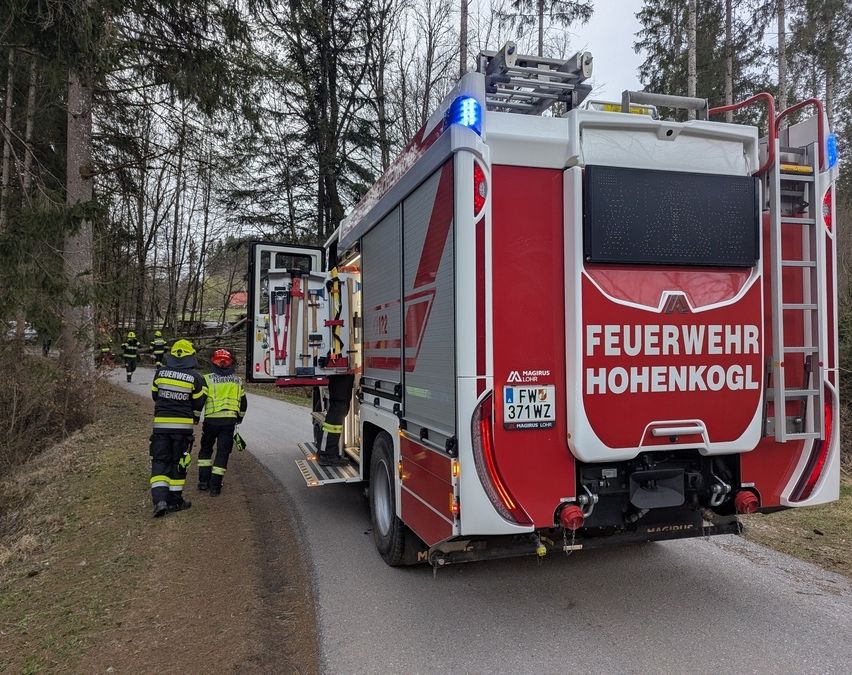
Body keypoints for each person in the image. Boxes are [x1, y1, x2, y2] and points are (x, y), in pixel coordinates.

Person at [149, 339, 207, 517]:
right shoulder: (197, 378)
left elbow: (154, 395)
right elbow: (198, 404)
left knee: (160, 462)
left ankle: (159, 501)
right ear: (191, 357)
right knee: (179, 463)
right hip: (182, 429)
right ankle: (175, 501)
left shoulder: (160, 373)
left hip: (161, 428)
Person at [198, 348, 247, 496]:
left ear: (213, 362)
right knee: (222, 453)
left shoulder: (206, 379)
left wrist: (194, 417)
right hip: (229, 422)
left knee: (206, 450)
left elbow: (200, 400)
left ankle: (203, 483)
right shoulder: (237, 380)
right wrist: (239, 418)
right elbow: (243, 403)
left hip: (211, 421)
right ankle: (215, 487)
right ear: (230, 363)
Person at [316, 373, 355, 466]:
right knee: (334, 418)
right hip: (340, 381)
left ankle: (329, 453)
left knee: (339, 413)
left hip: (342, 382)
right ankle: (326, 455)